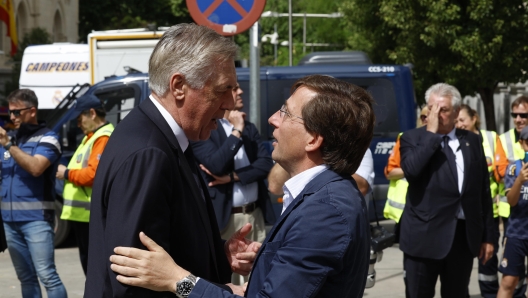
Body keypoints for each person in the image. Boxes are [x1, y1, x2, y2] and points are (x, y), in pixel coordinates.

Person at [109, 74, 374, 297]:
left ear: (313, 139)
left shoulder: (325, 211)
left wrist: (178, 280)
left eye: (286, 112)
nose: (273, 118)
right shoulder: (324, 195)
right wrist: (262, 267)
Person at [84, 24, 259, 297]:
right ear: (179, 86)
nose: (229, 103)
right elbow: (136, 283)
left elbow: (165, 261)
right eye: (223, 89)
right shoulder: (149, 153)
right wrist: (219, 292)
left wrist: (218, 253)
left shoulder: (162, 138)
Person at [399, 83, 495, 298]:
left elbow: (482, 191)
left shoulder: (472, 140)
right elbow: (412, 171)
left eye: (443, 110)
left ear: (456, 112)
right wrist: (431, 135)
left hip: (461, 239)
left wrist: (489, 236)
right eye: (432, 108)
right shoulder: (411, 138)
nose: (436, 114)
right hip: (423, 239)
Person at [190, 83, 275, 285]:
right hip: (226, 217)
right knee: (230, 277)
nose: (241, 92)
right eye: (235, 89)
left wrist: (232, 177)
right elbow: (216, 165)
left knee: (259, 272)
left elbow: (265, 164)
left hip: (255, 214)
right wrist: (236, 131)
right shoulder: (207, 129)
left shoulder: (249, 127)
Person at [0, 89, 66, 298]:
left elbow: (36, 167)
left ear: (32, 111)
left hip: (36, 220)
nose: (12, 118)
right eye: (10, 113)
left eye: (16, 112)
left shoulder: (48, 138)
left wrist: (9, 145)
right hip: (9, 222)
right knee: (26, 278)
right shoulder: (11, 138)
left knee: (47, 276)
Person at [55, 94, 114, 275]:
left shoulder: (102, 138)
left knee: (95, 271)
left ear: (92, 113)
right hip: (84, 216)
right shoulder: (91, 137)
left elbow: (94, 174)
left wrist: (66, 173)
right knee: (91, 269)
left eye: (80, 118)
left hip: (91, 216)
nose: (78, 124)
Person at [456, 104, 509, 298]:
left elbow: (501, 170)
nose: (459, 124)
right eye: (457, 120)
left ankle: (489, 294)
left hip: (489, 212)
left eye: (462, 119)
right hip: (465, 214)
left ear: (474, 118)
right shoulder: (454, 139)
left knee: (488, 260)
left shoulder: (490, 138)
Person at [268, 148, 375, 198]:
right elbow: (275, 187)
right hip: (297, 228)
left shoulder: (357, 148)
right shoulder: (295, 149)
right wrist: (292, 154)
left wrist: (317, 160)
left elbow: (361, 187)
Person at [498, 125, 528, 298]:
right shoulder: (514, 168)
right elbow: (511, 201)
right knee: (508, 282)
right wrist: (520, 180)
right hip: (517, 232)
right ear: (522, 144)